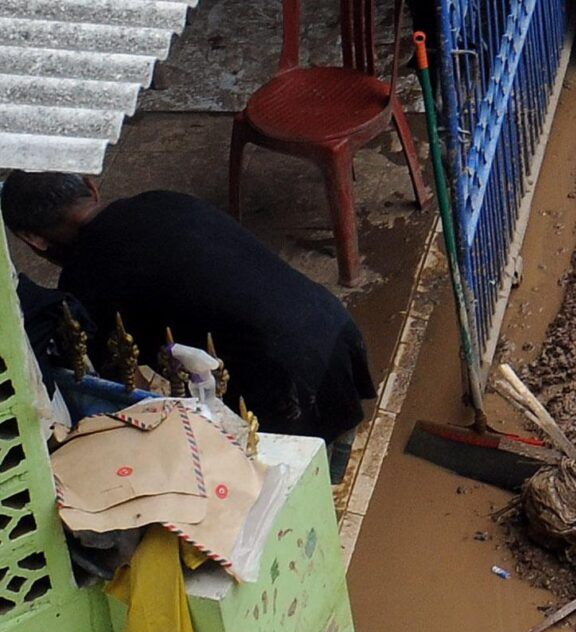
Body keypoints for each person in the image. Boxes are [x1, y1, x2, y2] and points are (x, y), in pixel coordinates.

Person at [4, 174, 376, 479]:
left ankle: (322, 491)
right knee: (335, 423)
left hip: (285, 374)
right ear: (92, 185)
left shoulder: (85, 278)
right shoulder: (161, 198)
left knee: (287, 476)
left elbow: (116, 379)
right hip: (332, 322)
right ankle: (336, 466)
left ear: (32, 240)